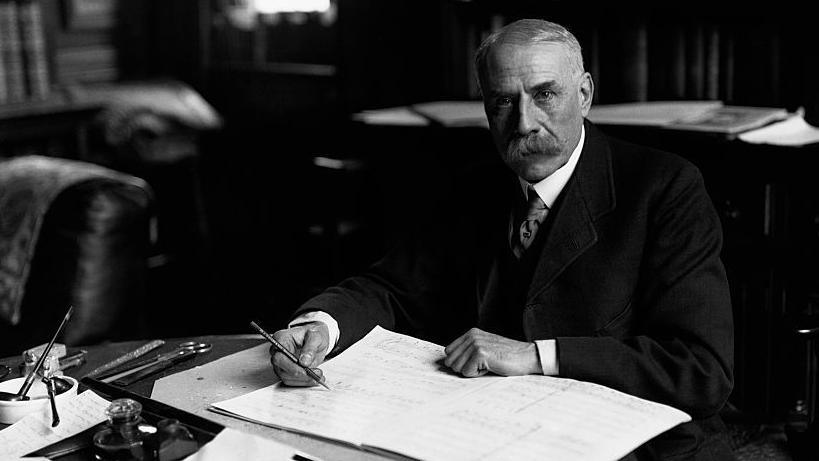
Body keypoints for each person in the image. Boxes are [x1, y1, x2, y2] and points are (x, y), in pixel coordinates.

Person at [270, 19, 734, 460]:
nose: (525, 123)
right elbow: (391, 288)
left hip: (628, 448)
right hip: (489, 435)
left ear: (585, 94)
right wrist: (321, 326)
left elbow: (699, 369)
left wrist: (535, 356)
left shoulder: (665, 188)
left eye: (545, 95)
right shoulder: (473, 186)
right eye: (503, 102)